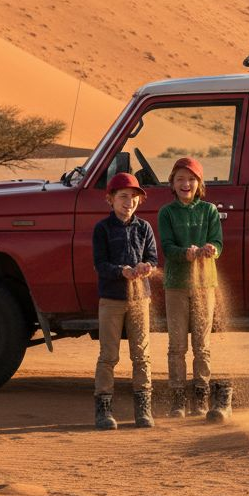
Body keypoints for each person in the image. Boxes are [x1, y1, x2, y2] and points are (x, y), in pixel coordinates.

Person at [157, 156, 232, 422]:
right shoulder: (166, 212)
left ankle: (200, 398)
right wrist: (184, 253)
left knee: (202, 345)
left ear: (199, 183)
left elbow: (218, 243)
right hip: (176, 284)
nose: (185, 184)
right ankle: (178, 399)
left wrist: (212, 249)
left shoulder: (209, 211)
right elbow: (166, 247)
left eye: (190, 179)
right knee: (177, 345)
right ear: (172, 184)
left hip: (204, 285)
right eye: (180, 179)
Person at [91, 172, 159, 430]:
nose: (128, 202)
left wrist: (147, 267)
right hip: (111, 299)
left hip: (140, 298)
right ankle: (103, 411)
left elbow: (153, 259)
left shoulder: (145, 228)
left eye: (133, 197)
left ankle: (143, 410)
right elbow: (100, 264)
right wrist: (121, 270)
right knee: (108, 355)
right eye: (123, 197)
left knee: (141, 356)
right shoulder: (102, 229)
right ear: (110, 199)